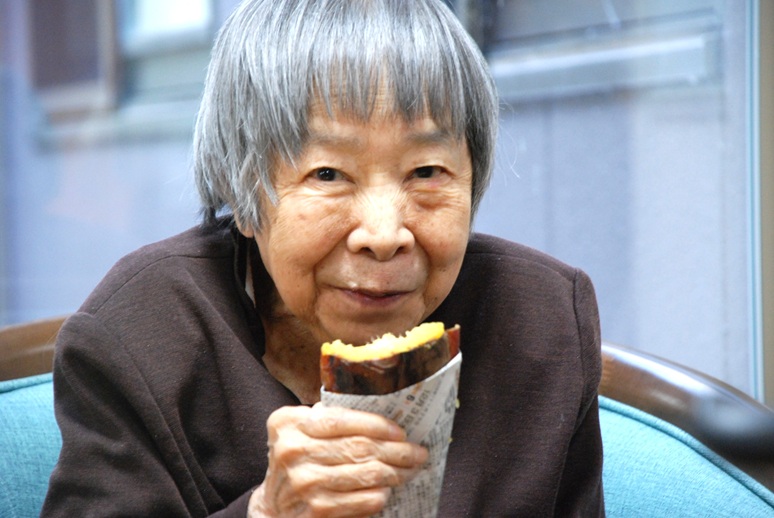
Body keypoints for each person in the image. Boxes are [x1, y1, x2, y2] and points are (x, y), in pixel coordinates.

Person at [42, 0, 605, 516]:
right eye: (328, 174)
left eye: (427, 171)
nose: (384, 235)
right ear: (244, 193)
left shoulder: (543, 320)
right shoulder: (139, 335)